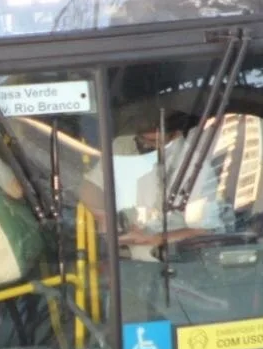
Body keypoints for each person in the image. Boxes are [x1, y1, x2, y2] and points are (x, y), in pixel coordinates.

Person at [81, 109, 232, 260]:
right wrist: (111, 223)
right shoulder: (124, 145)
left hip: (180, 260)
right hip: (129, 263)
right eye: (141, 139)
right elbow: (91, 188)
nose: (146, 146)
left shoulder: (196, 168)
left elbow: (205, 232)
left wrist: (156, 239)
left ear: (176, 136)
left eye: (154, 142)